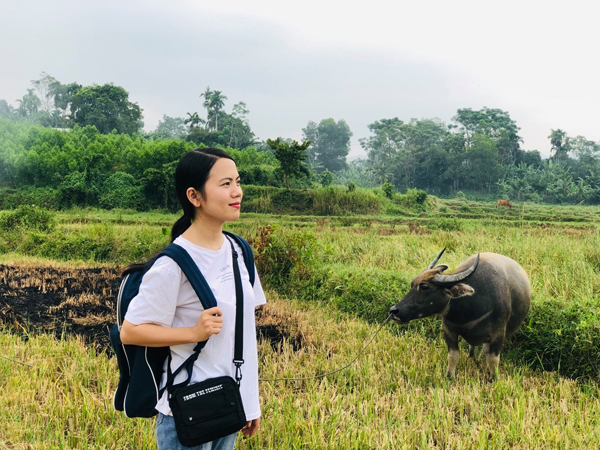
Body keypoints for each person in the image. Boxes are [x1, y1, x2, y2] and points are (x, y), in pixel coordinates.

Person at [120, 148, 265, 450]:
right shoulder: (173, 263)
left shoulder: (240, 251)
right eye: (225, 184)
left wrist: (251, 402)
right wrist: (192, 333)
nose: (237, 192)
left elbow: (244, 336)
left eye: (237, 182)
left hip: (229, 405)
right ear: (194, 196)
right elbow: (131, 331)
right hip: (186, 412)